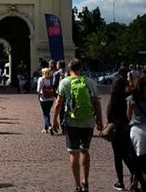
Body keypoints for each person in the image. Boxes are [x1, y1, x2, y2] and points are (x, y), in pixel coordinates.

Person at [51, 59, 104, 192]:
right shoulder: (89, 82)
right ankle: (85, 181)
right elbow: (96, 103)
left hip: (71, 122)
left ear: (69, 69)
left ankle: (77, 185)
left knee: (73, 153)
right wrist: (99, 120)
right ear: (81, 68)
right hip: (88, 121)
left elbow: (58, 103)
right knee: (84, 150)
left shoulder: (65, 82)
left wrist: (54, 120)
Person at [107, 75, 134, 191]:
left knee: (118, 157)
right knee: (126, 154)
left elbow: (109, 115)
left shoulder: (113, 100)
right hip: (128, 128)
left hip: (117, 130)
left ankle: (121, 181)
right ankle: (135, 173)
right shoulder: (128, 98)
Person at [36, 67, 56, 134]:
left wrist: (38, 96)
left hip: (43, 98)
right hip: (51, 98)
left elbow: (38, 90)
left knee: (45, 114)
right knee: (47, 113)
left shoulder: (41, 79)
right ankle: (45, 128)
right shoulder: (50, 80)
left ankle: (49, 126)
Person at [53, 60, 67, 133]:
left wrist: (56, 95)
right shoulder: (68, 73)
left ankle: (63, 129)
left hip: (60, 94)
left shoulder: (56, 73)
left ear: (59, 65)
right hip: (68, 94)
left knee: (61, 112)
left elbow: (54, 85)